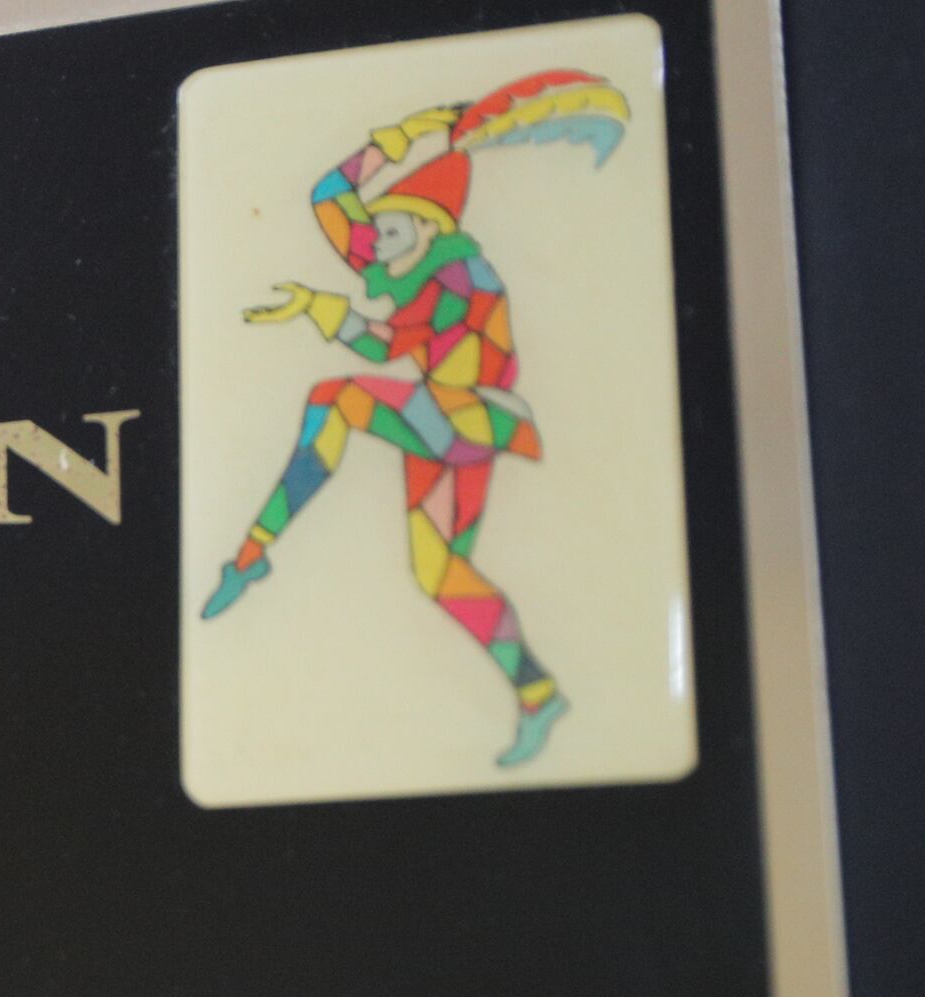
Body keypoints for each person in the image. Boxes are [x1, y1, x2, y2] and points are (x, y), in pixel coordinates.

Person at [200, 70, 632, 769]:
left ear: (429, 227)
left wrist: (324, 310)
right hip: (440, 425)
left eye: (389, 228)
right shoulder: (404, 254)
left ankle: (251, 556)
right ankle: (538, 693)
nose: (373, 241)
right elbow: (329, 196)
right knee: (442, 574)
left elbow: (385, 344)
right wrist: (399, 136)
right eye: (377, 229)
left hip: (469, 419)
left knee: (335, 401)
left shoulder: (462, 277)